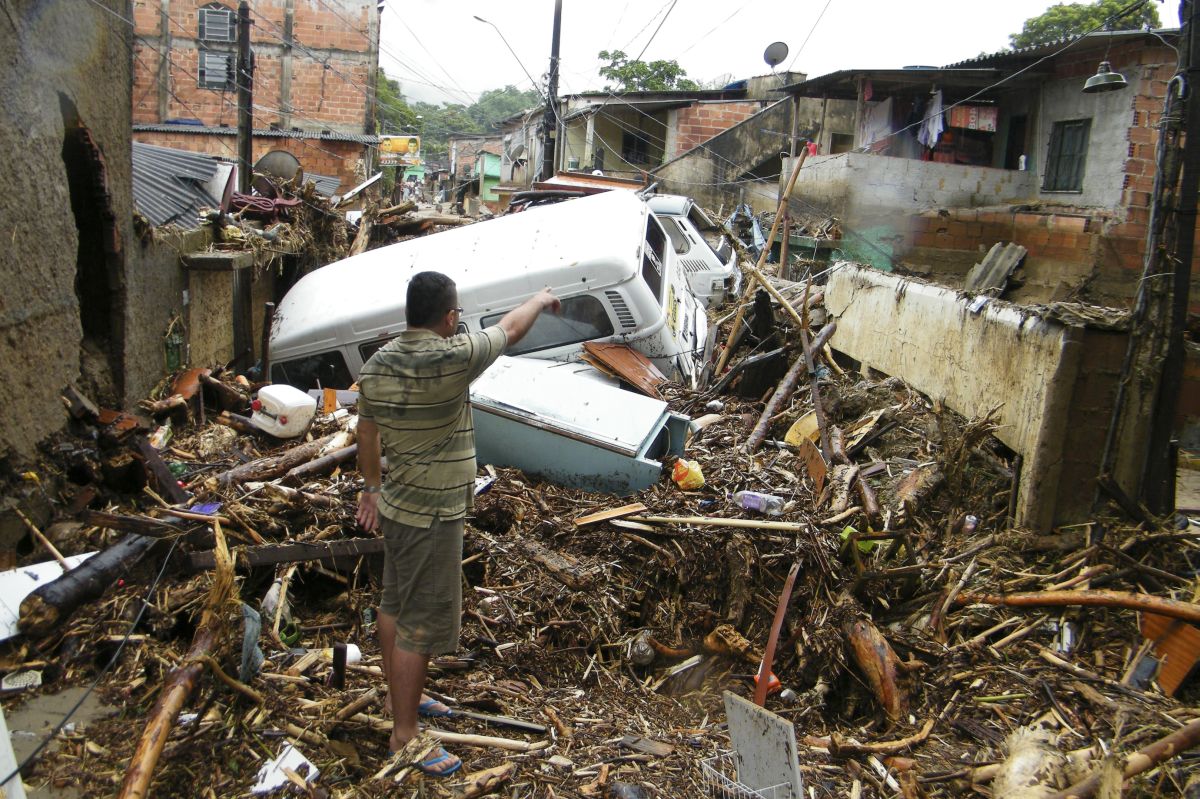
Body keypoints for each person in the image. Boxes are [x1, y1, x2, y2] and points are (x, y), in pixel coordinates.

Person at [355, 272, 560, 777]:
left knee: (394, 604)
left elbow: (366, 431)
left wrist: (372, 489)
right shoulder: (452, 358)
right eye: (458, 316)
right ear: (448, 319)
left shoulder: (378, 363)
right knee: (422, 624)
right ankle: (405, 735)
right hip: (434, 513)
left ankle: (400, 698)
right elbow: (510, 330)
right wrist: (539, 297)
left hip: (398, 506)